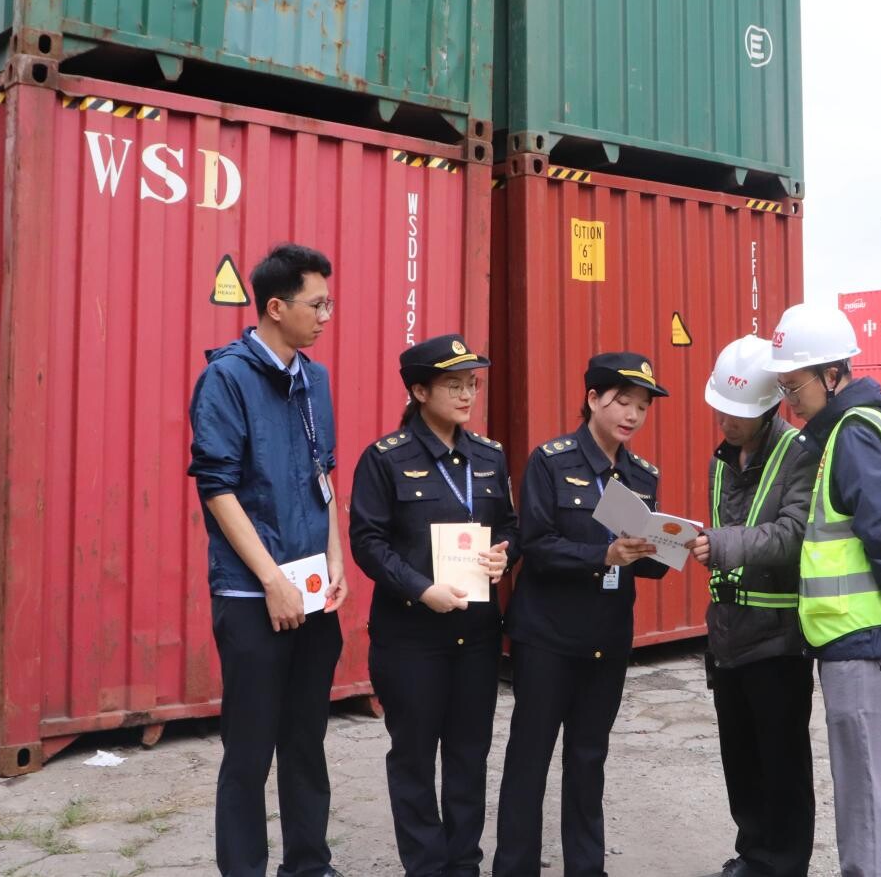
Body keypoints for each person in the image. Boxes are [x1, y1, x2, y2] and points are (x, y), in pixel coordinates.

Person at [762, 303, 881, 877]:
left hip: (864, 636)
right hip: (857, 635)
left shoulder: (853, 434)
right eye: (784, 387)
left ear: (833, 374)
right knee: (869, 783)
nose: (789, 400)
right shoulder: (853, 429)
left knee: (864, 789)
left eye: (795, 385)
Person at [188, 243, 348, 877]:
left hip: (312, 588)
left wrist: (335, 557)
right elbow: (217, 488)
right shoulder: (226, 378)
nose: (326, 316)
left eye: (329, 303)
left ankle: (309, 865)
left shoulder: (315, 379)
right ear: (276, 307)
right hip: (252, 594)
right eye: (317, 304)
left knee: (306, 741)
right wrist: (271, 580)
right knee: (250, 750)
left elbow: (323, 474)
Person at [493, 353, 669, 877]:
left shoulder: (641, 475)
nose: (633, 415)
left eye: (642, 407)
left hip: (606, 639)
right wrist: (603, 555)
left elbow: (648, 565)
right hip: (546, 637)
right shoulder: (552, 462)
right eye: (622, 402)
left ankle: (587, 867)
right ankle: (514, 868)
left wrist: (669, 546)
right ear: (593, 399)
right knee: (529, 757)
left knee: (589, 758)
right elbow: (536, 544)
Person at [349, 334, 519, 877]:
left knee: (469, 757)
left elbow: (510, 526)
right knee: (415, 759)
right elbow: (367, 542)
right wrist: (421, 588)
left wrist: (504, 555)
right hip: (411, 638)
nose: (467, 395)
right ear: (420, 391)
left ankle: (463, 864)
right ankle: (425, 866)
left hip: (477, 635)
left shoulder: (489, 455)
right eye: (454, 385)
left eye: (472, 384)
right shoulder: (385, 458)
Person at [688, 335, 817, 877]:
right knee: (740, 760)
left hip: (778, 640)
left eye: (737, 413)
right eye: (720, 409)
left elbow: (793, 535)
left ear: (768, 408)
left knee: (782, 765)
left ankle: (784, 864)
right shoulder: (722, 460)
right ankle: (754, 855)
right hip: (729, 635)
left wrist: (720, 544)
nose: (725, 421)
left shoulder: (800, 453)